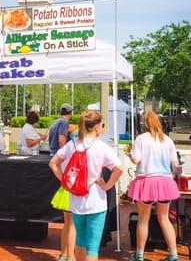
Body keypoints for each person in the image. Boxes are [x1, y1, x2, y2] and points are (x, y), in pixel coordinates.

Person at [49, 110, 123, 261]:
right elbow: (119, 168)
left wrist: (65, 181)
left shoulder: (72, 145)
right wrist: (107, 186)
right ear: (97, 127)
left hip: (76, 201)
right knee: (93, 247)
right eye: (102, 124)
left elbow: (53, 163)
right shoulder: (101, 147)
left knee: (80, 240)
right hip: (96, 200)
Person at [128, 111, 180, 261]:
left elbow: (136, 160)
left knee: (143, 219)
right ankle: (173, 254)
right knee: (164, 218)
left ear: (144, 124)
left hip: (146, 181)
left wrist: (130, 156)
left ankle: (139, 255)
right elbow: (175, 166)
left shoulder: (141, 139)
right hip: (164, 182)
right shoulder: (167, 140)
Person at [49, 103, 75, 261]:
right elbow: (61, 141)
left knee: (67, 223)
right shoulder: (64, 124)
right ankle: (69, 256)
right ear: (70, 113)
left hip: (57, 164)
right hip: (65, 171)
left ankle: (64, 254)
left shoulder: (54, 122)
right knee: (72, 224)